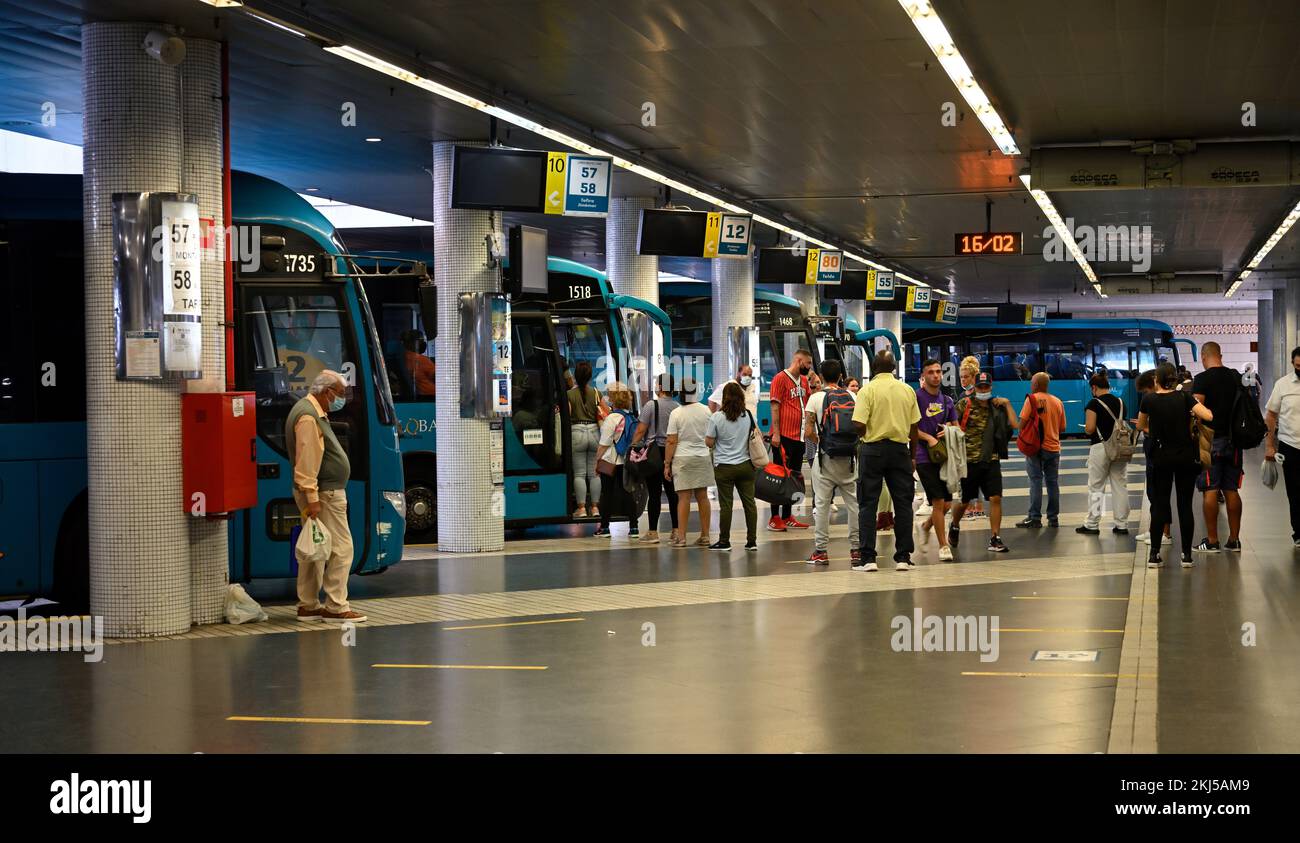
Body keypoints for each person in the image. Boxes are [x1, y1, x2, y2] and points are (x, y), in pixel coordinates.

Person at [286, 370, 366, 623]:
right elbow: (307, 461)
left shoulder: (308, 411)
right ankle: (336, 607)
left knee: (315, 548)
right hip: (325, 493)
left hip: (319, 492)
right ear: (326, 391)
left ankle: (308, 605)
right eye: (339, 394)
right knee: (341, 549)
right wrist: (312, 498)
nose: (341, 399)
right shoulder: (309, 417)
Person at [1138, 362, 1213, 568]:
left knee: (1160, 504)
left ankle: (1154, 555)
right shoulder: (1184, 397)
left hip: (1160, 458)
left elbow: (1141, 425)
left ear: (1156, 380)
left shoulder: (1149, 399)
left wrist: (1154, 430)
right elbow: (1208, 416)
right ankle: (1187, 556)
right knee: (1185, 505)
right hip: (1186, 458)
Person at [851, 351, 920, 572]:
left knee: (868, 503)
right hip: (900, 450)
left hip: (873, 450)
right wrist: (912, 457)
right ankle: (903, 557)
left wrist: (866, 434)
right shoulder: (907, 390)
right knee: (903, 503)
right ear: (893, 368)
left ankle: (868, 558)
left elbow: (858, 423)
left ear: (873, 368)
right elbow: (914, 427)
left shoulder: (867, 390)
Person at [948, 372, 1018, 553]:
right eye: (980, 387)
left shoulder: (998, 405)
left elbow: (1014, 424)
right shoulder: (965, 403)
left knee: (995, 498)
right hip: (969, 461)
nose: (983, 390)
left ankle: (995, 538)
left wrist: (1008, 404)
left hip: (991, 459)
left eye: (986, 387)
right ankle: (954, 525)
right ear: (975, 386)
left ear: (991, 387)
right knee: (964, 502)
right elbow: (951, 423)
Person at [802, 359, 861, 565]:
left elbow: (808, 431)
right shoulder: (853, 396)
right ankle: (856, 550)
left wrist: (824, 442)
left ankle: (821, 551)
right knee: (854, 504)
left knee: (822, 505)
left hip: (825, 459)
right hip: (850, 459)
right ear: (840, 376)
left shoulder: (815, 398)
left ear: (821, 376)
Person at [1192, 342, 1244, 553]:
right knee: (1231, 489)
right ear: (1220, 355)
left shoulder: (1202, 379)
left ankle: (1212, 541)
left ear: (1204, 357)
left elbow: (1196, 410)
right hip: (1234, 441)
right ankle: (1234, 540)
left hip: (1209, 441)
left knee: (1210, 489)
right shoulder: (1235, 377)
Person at [705, 382, 760, 551]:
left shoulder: (716, 417)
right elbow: (755, 435)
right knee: (749, 503)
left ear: (724, 398)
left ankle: (724, 541)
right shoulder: (748, 415)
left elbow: (709, 442)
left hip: (724, 468)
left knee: (726, 505)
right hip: (745, 466)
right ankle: (751, 542)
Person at [1077, 371, 1131, 535]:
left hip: (1100, 448)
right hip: (1119, 448)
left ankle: (1092, 523)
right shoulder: (1121, 402)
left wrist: (1085, 428)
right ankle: (1122, 524)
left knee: (1096, 486)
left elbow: (1090, 429)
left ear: (1094, 387)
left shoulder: (1093, 404)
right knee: (1120, 485)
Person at [914, 358, 957, 561]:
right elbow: (910, 428)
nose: (936, 375)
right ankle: (943, 546)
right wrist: (928, 437)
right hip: (923, 457)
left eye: (939, 371)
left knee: (947, 504)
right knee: (938, 502)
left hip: (943, 457)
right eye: (931, 372)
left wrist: (948, 431)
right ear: (924, 376)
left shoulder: (947, 401)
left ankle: (926, 526)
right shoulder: (916, 398)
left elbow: (957, 427)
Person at [767, 349, 813, 531]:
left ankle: (787, 515)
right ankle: (774, 517)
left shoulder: (803, 381)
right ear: (798, 360)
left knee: (794, 478)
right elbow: (775, 407)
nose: (809, 367)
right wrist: (776, 433)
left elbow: (808, 404)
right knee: (779, 477)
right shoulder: (780, 378)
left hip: (799, 437)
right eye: (807, 363)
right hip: (784, 436)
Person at [666, 377, 715, 548]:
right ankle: (705, 535)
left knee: (683, 498)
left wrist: (667, 463)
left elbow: (671, 441)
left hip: (682, 458)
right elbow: (711, 436)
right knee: (703, 496)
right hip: (702, 456)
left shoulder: (676, 413)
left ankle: (682, 537)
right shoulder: (706, 411)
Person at [632, 374, 680, 544]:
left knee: (654, 494)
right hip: (671, 453)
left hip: (653, 454)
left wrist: (633, 446)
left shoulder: (651, 406)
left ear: (660, 387)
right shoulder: (677, 407)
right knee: (673, 494)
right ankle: (676, 530)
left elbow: (640, 430)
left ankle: (653, 532)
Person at [1016, 372, 1066, 529]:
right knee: (1052, 483)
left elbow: (1021, 424)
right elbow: (1062, 427)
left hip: (1036, 448)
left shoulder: (1032, 399)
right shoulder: (1058, 401)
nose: (1031, 385)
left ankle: (1035, 517)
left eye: (1032, 382)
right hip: (1054, 448)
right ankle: (1053, 518)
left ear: (1036, 384)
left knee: (1035, 481)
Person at [1265, 347, 1300, 547]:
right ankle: (1298, 531)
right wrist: (1270, 445)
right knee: (1295, 492)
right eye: (1298, 366)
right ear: (1293, 364)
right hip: (1290, 445)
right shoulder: (1283, 385)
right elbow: (1271, 415)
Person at [594, 383, 638, 538]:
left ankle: (605, 528)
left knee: (607, 494)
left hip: (610, 462)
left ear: (613, 400)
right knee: (628, 493)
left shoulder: (611, 419)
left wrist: (596, 462)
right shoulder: (631, 417)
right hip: (626, 462)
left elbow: (604, 444)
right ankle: (634, 528)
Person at [1133, 370, 1171, 545]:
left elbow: (1159, 430)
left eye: (1146, 392)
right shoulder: (1159, 401)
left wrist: (1145, 427)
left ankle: (1164, 533)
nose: (1146, 396)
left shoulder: (1161, 401)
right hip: (1153, 449)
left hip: (1159, 450)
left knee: (1159, 492)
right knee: (1153, 492)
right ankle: (1154, 529)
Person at [567, 361, 607, 518]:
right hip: (595, 433)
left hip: (576, 432)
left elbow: (567, 416)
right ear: (590, 376)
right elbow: (606, 412)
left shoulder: (569, 394)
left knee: (579, 474)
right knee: (594, 473)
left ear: (575, 376)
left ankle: (582, 508)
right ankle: (595, 508)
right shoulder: (596, 393)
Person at [958, 355, 985, 520]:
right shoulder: (964, 394)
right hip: (967, 442)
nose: (963, 380)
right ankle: (973, 507)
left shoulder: (980, 395)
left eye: (966, 377)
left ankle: (973, 508)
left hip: (975, 442)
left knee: (970, 476)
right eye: (961, 377)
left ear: (974, 377)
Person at [400, 330, 436, 397]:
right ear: (410, 343)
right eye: (420, 340)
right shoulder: (421, 360)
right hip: (431, 398)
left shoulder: (402, 358)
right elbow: (439, 379)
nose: (423, 343)